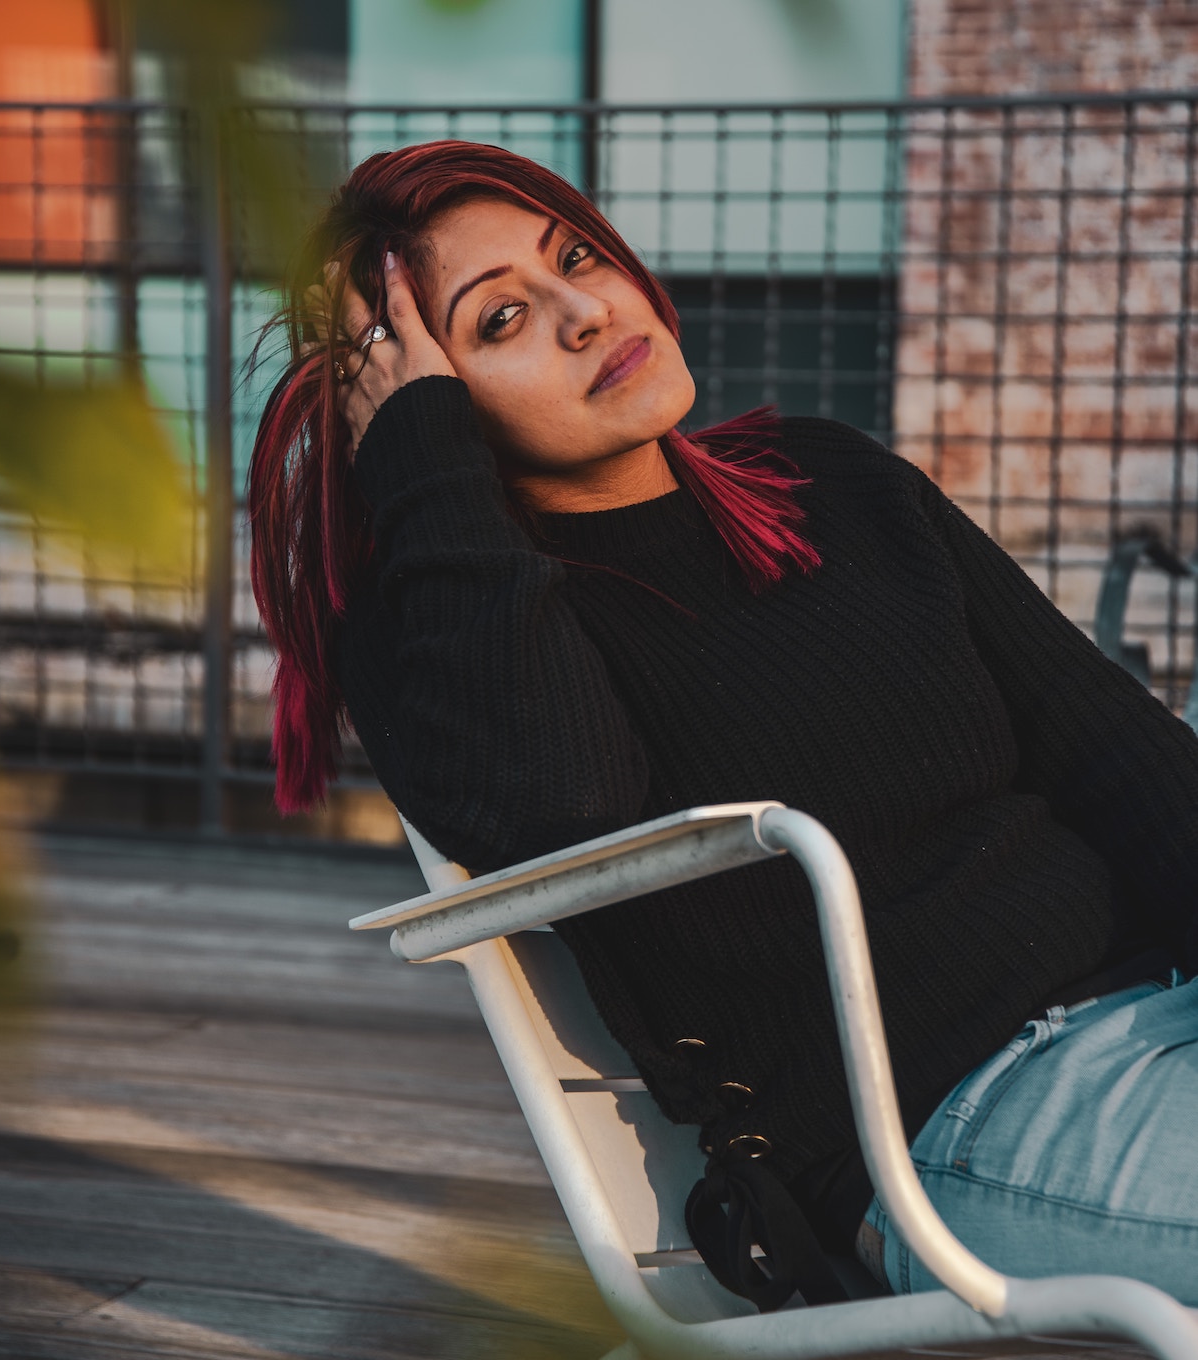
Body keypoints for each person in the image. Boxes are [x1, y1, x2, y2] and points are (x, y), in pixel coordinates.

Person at [248, 140, 1198, 1310]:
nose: (583, 313)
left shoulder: (831, 482)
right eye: (498, 322)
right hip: (959, 1127)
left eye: (577, 258)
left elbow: (1104, 738)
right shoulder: (442, 638)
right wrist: (428, 465)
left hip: (1163, 1008)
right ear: (420, 406)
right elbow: (564, 805)